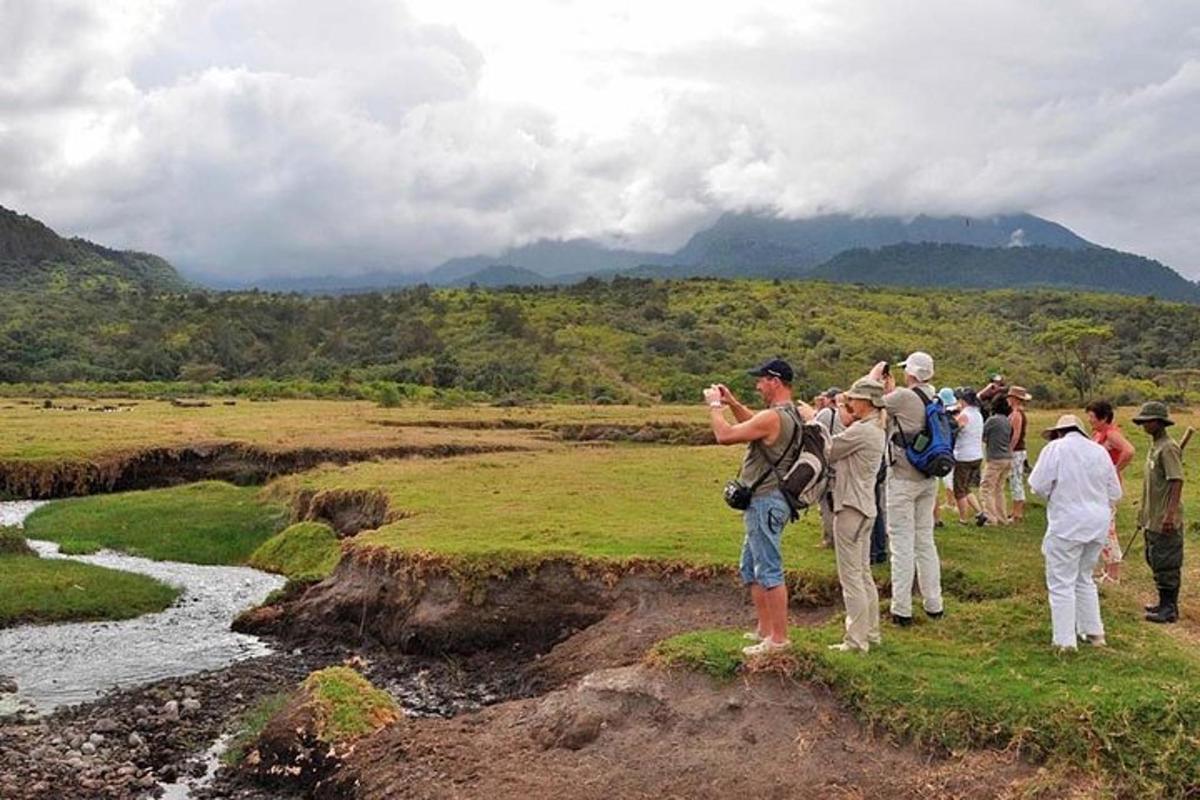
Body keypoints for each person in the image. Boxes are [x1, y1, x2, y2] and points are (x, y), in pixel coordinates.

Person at [705, 358, 799, 655]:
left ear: (774, 380)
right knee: (751, 566)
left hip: (765, 500)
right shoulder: (787, 414)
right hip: (771, 500)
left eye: (761, 380)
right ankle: (765, 629)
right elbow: (753, 424)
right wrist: (732, 402)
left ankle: (779, 639)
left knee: (768, 567)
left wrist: (715, 407)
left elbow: (726, 435)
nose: (758, 386)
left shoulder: (773, 417)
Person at [798, 379, 887, 652]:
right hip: (865, 507)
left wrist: (814, 420)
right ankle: (871, 633)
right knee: (862, 574)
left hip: (850, 506)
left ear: (867, 403)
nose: (850, 404)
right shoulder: (873, 429)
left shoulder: (862, 431)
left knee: (851, 578)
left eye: (854, 399)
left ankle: (856, 640)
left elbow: (828, 449)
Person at [1028, 415, 1122, 651]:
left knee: (1061, 583)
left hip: (1067, 523)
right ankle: (1094, 633)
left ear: (1059, 432)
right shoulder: (1099, 452)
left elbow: (1038, 484)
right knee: (1084, 578)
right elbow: (1115, 492)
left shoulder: (1055, 449)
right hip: (1097, 524)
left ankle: (1064, 641)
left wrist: (1057, 495)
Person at [869, 352, 944, 626]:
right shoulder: (934, 397)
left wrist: (876, 374)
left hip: (902, 478)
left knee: (901, 544)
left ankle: (902, 609)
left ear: (910, 373)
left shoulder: (902, 396)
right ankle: (934, 604)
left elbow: (865, 402)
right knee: (925, 541)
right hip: (928, 477)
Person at [1131, 401, 1186, 624]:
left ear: (1159, 422)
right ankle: (1163, 603)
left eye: (1148, 421)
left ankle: (1169, 608)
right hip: (1151, 516)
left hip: (1165, 517)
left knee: (1167, 562)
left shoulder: (1168, 447)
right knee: (1155, 559)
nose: (1144, 425)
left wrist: (1170, 514)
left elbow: (1176, 481)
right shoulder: (1155, 447)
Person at [1086, 400, 1136, 584]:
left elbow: (1129, 450)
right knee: (1101, 527)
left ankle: (1114, 574)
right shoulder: (1098, 433)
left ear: (1104, 417)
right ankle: (1107, 569)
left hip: (1107, 488)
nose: (1090, 420)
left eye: (1092, 417)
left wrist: (1115, 468)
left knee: (1108, 528)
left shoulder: (1111, 433)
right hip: (1098, 486)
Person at [813, 387, 845, 548]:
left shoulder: (827, 413)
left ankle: (829, 538)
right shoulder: (847, 414)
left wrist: (817, 410)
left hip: (829, 465)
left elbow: (812, 428)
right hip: (844, 465)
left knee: (826, 503)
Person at [952, 388, 986, 525]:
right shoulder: (978, 415)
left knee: (959, 489)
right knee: (966, 487)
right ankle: (980, 512)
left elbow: (955, 428)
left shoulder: (964, 415)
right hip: (977, 455)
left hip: (964, 456)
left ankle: (963, 519)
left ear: (963, 401)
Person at [980, 396, 1013, 526]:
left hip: (995, 458)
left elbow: (982, 435)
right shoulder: (1007, 421)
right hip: (1007, 458)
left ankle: (991, 518)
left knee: (986, 488)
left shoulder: (992, 420)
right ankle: (1002, 517)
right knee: (999, 489)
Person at [1007, 386, 1033, 523]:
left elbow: (1015, 435)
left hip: (1016, 450)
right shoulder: (1018, 413)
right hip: (1018, 450)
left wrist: (1009, 449)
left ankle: (1018, 513)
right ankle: (1015, 510)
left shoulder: (1016, 414)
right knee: (1014, 480)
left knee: (1016, 480)